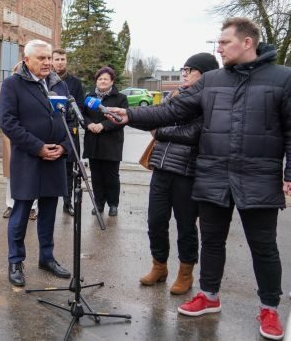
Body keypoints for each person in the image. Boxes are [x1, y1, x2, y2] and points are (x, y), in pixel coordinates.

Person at [107, 17, 291, 340]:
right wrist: (130, 115)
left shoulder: (282, 79)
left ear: (247, 43)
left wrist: (289, 173)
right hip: (214, 175)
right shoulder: (212, 81)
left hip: (258, 177)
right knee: (212, 240)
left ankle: (269, 309)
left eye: (224, 42)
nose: (217, 48)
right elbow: (171, 112)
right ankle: (208, 294)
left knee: (263, 246)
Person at [138, 53, 218, 295]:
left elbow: (193, 133)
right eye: (183, 69)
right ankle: (159, 266)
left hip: (187, 172)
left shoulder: (209, 100)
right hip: (161, 167)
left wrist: (162, 131)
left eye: (189, 70)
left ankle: (186, 273)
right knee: (156, 222)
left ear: (203, 74)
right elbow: (155, 120)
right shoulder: (175, 96)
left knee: (186, 226)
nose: (184, 74)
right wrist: (162, 128)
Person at [0, 39, 72, 287]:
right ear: (26, 59)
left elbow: (70, 122)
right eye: (41, 58)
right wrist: (38, 148)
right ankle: (15, 260)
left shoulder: (59, 86)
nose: (47, 62)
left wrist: (64, 146)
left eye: (49, 57)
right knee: (21, 212)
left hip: (55, 158)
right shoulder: (12, 85)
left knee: (49, 212)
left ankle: (47, 257)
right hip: (28, 159)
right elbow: (8, 123)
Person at [81, 66, 128, 217]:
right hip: (93, 141)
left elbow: (122, 120)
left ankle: (113, 204)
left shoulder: (120, 98)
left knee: (111, 176)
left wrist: (103, 125)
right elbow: (82, 115)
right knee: (96, 176)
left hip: (111, 143)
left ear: (112, 81)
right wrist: (89, 124)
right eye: (100, 79)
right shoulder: (89, 97)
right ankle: (98, 203)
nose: (102, 81)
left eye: (105, 79)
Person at [2, 61, 38, 221]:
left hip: (31, 137)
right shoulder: (9, 89)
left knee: (34, 174)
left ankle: (32, 208)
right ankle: (10, 205)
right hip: (11, 137)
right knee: (11, 173)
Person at [52, 48, 85, 216]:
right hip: (51, 131)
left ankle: (67, 203)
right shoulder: (46, 80)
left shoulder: (75, 82)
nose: (60, 62)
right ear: (52, 61)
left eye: (62, 59)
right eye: (56, 59)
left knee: (69, 171)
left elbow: (79, 105)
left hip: (69, 131)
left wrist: (70, 120)